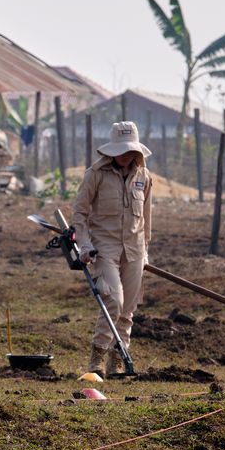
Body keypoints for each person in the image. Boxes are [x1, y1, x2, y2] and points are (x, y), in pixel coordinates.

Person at [71, 121, 153, 378]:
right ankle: (97, 354)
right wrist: (84, 244)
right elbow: (80, 213)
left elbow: (146, 220)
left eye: (129, 151)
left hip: (135, 249)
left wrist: (145, 252)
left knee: (128, 308)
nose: (125, 155)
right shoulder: (95, 174)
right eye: (121, 150)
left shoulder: (144, 177)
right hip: (104, 247)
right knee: (113, 301)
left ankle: (117, 361)